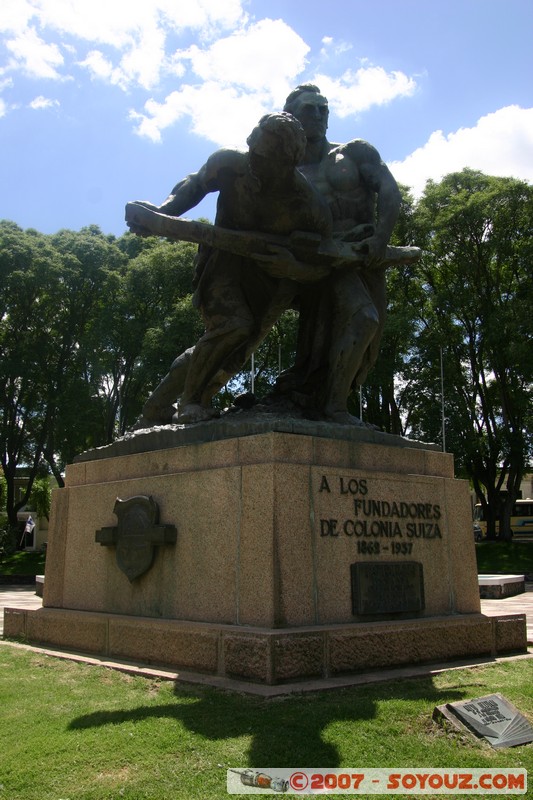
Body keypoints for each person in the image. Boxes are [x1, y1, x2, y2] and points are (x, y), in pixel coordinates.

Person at [130, 112, 333, 426]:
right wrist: (163, 213)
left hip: (271, 279)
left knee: (231, 352)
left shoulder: (307, 205)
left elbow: (322, 261)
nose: (252, 158)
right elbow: (195, 184)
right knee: (233, 325)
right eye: (251, 146)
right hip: (221, 261)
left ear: (286, 160)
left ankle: (156, 405)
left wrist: (294, 267)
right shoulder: (229, 164)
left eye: (262, 155)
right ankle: (191, 403)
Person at [271, 84, 402, 424]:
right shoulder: (283, 170)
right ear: (291, 117)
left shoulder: (355, 152)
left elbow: (388, 189)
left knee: (367, 347)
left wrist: (381, 237)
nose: (317, 115)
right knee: (363, 319)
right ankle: (334, 408)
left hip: (361, 256)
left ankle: (327, 400)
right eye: (308, 109)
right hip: (315, 261)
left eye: (322, 109)